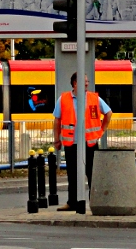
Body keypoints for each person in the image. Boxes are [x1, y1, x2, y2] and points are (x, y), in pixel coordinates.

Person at [52, 72, 112, 212]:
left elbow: (108, 113)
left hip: (89, 143)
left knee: (92, 174)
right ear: (74, 83)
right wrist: (57, 139)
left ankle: (95, 203)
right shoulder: (63, 99)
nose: (87, 83)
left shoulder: (94, 98)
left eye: (87, 81)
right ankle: (72, 202)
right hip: (71, 143)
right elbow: (57, 120)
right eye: (84, 81)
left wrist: (101, 131)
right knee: (72, 175)